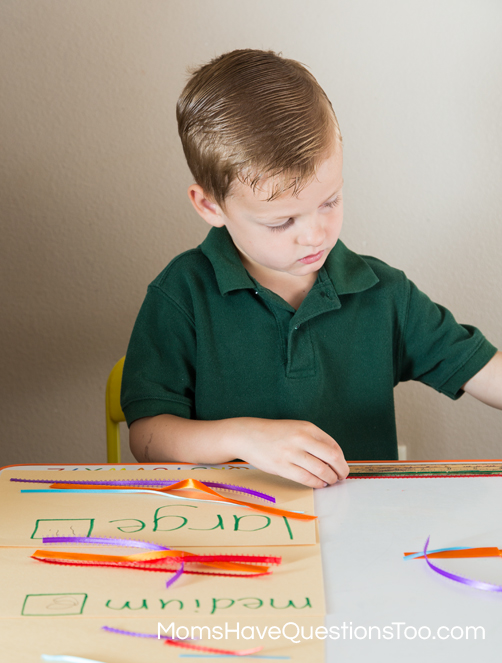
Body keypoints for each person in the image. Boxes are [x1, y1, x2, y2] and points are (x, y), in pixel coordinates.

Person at [121, 49, 501, 488]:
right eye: (282, 221)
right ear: (210, 206)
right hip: (231, 535)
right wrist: (243, 437)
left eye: (330, 202)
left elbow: (484, 371)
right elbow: (147, 438)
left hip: (362, 534)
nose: (315, 235)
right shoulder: (181, 294)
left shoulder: (383, 293)